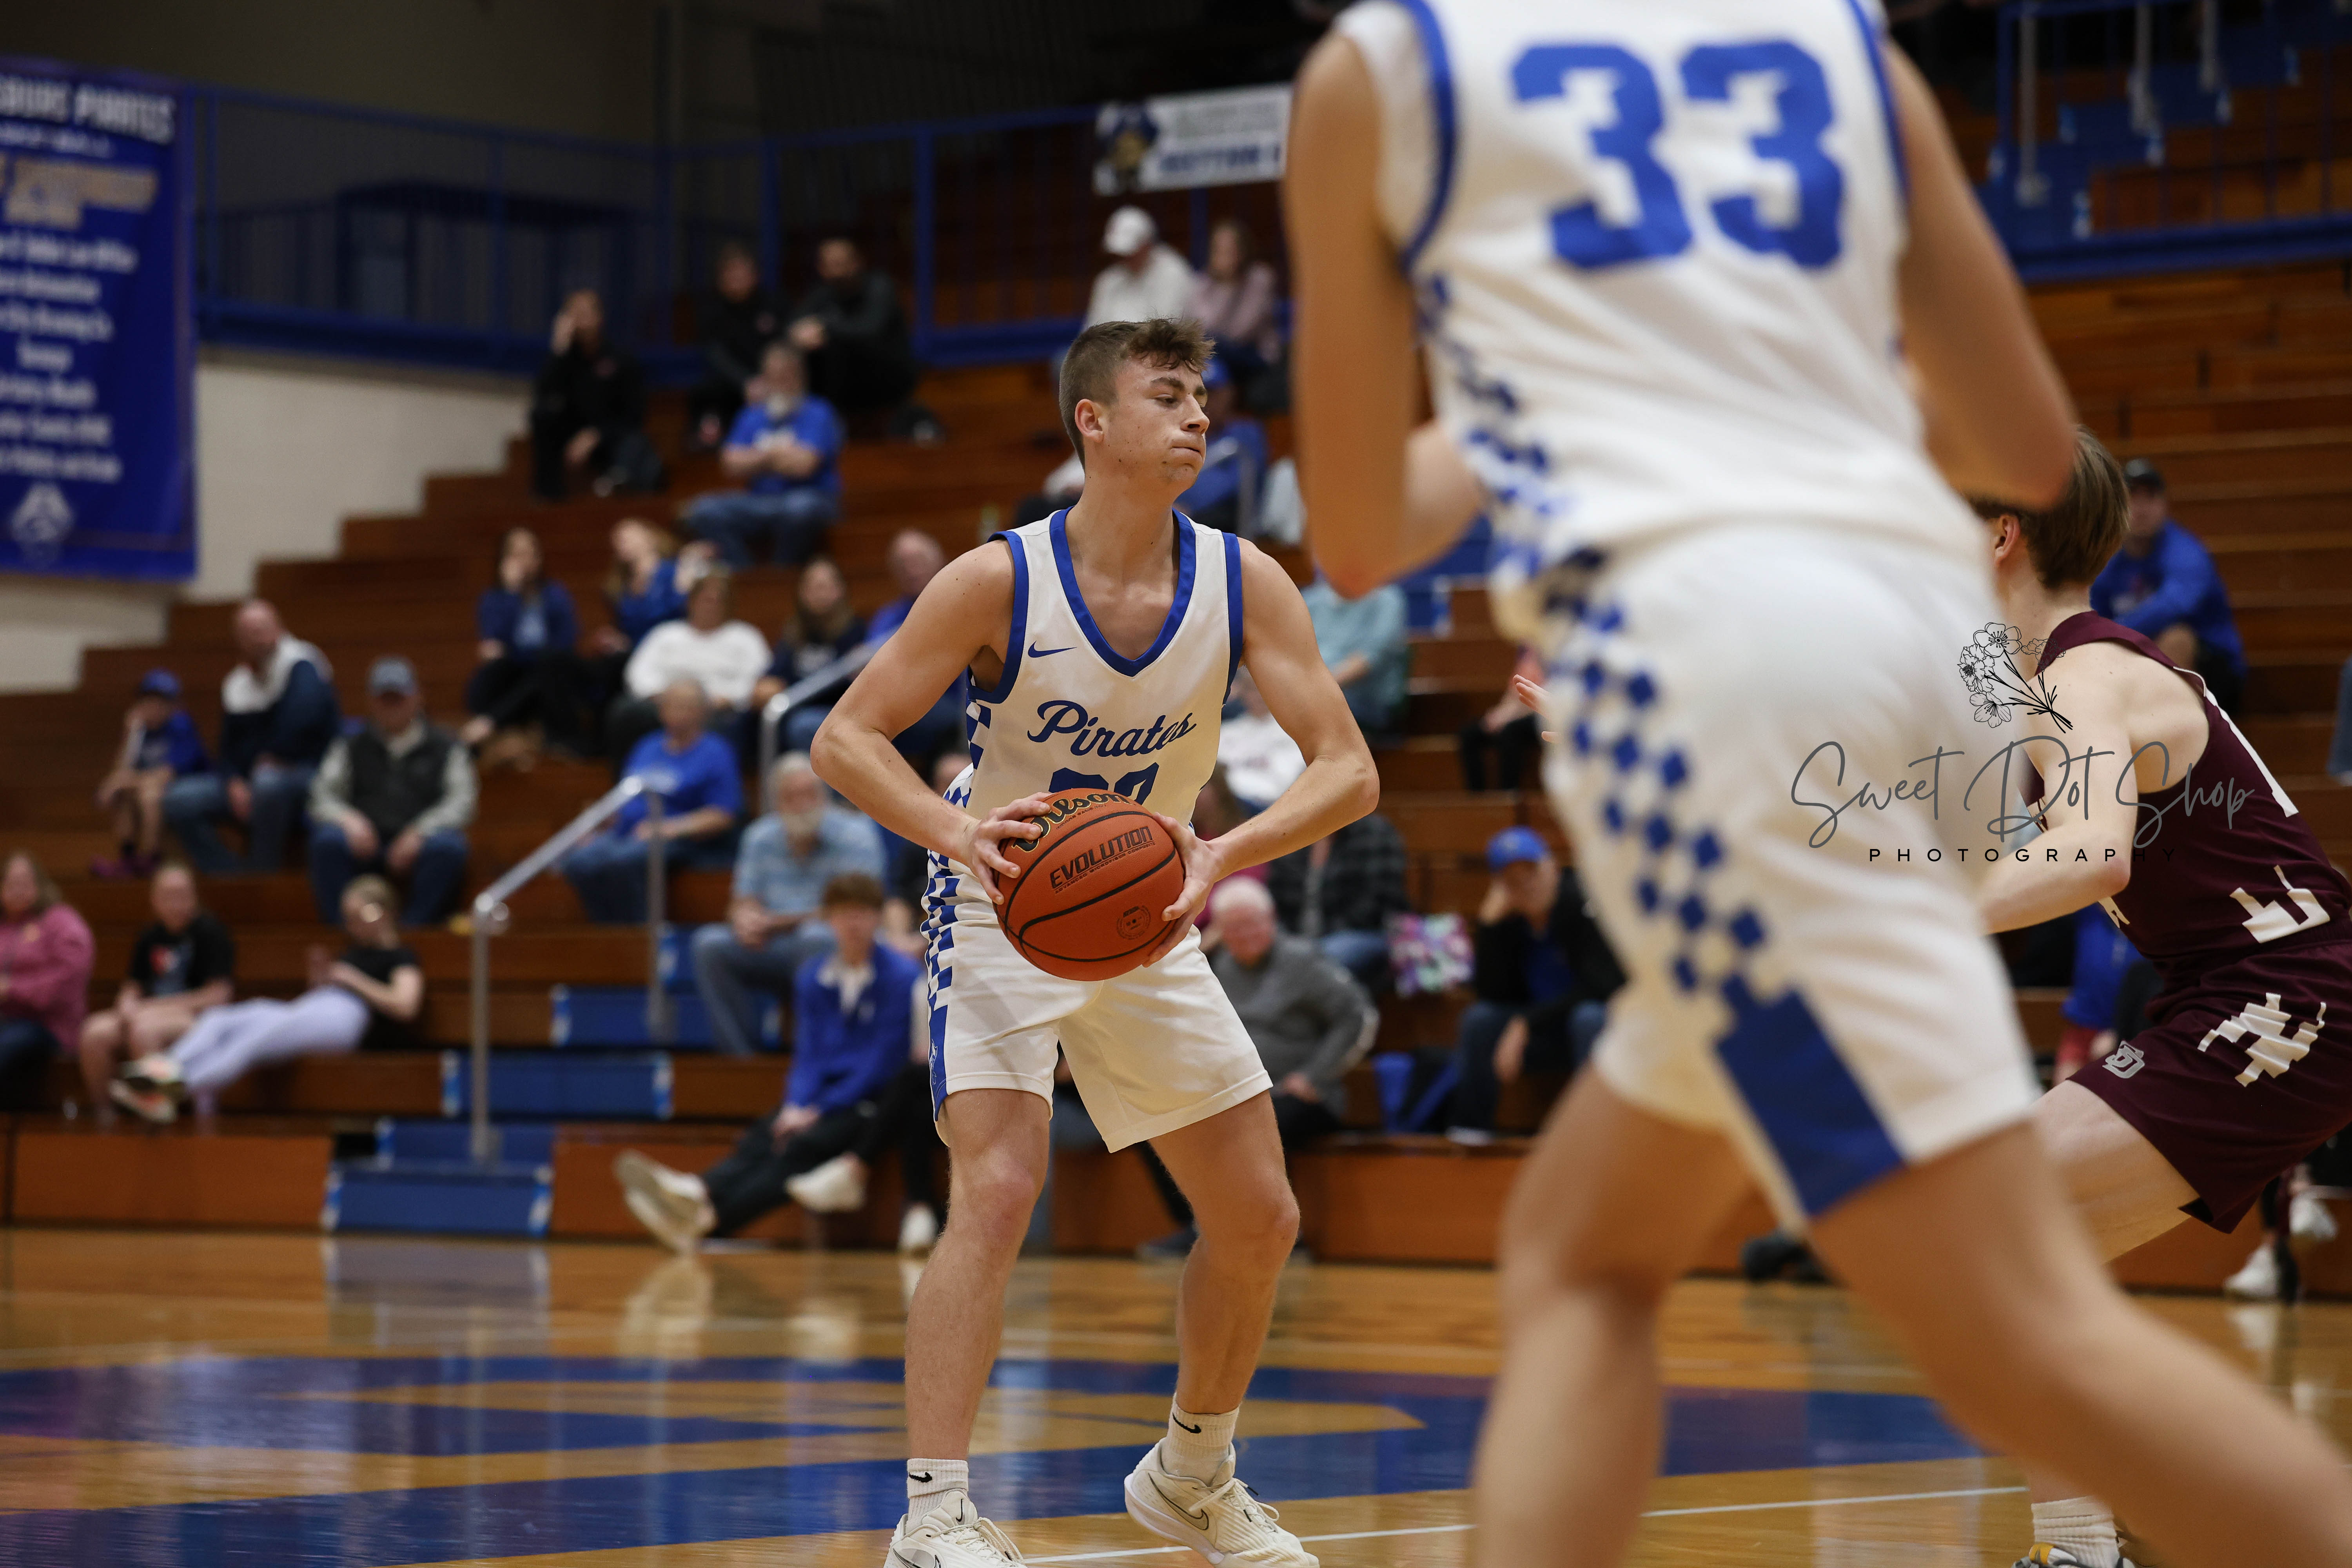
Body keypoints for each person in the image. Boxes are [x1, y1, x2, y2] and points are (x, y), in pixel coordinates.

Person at [1286, 5, 2352, 1566]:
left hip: (1726, 664)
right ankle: (2081, 1547)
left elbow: (1358, 537)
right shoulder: (1849, 48)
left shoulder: (1386, 68)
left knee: (2014, 1319)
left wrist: (1601, 405)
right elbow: (2015, 435)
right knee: (1584, 1253)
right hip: (1881, 648)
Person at [811, 316, 1377, 1566]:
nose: (1197, 415)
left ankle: (1191, 1471)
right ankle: (933, 1516)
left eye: (1202, 395)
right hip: (1003, 899)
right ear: (1094, 420)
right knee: (1002, 1185)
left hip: (1149, 909)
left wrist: (1221, 853)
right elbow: (844, 738)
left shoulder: (1243, 580)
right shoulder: (996, 580)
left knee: (1258, 1215)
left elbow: (1349, 770)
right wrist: (955, 833)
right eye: (1166, 394)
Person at [1972, 428, 2352, 1568]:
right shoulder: (2058, 680)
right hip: (2246, 989)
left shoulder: (2081, 678)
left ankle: (2227, 1516)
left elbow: (2090, 852)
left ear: (1998, 535)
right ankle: (2100, 1540)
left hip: (2288, 987)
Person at [615, 872, 938, 1253]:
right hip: (829, 1096)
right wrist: (797, 1104)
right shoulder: (813, 976)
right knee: (771, 1130)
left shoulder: (901, 977)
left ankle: (706, 1215)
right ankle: (699, 1192)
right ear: (829, 919)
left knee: (804, 1145)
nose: (853, 924)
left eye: (862, 913)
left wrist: (819, 1109)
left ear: (877, 918)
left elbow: (881, 1062)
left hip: (873, 1100)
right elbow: (808, 1054)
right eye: (844, 914)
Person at [1137, 878, 1372, 1260]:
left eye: (1253, 924)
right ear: (1221, 931)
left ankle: (1281, 1235)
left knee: (1258, 1123)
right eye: (1235, 927)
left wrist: (1315, 1076)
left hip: (1304, 1095)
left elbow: (1357, 1017)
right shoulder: (1217, 967)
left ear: (1272, 920)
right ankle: (1200, 1227)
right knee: (1153, 1121)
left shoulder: (1302, 962)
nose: (1246, 935)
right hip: (1236, 1092)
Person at [114, 875, 422, 1125]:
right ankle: (154, 1076)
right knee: (223, 1018)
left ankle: (168, 1090)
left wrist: (352, 979)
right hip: (316, 1007)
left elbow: (405, 1005)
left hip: (349, 1018)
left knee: (254, 1040)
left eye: (360, 917)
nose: (354, 926)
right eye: (350, 919)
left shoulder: (401, 957)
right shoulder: (353, 951)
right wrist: (322, 978)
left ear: (384, 913)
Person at [690, 754, 887, 1058]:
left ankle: (817, 1056)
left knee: (815, 937)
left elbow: (858, 908)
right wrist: (745, 919)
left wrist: (774, 923)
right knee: (709, 945)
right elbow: (742, 901)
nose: (802, 804)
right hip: (771, 945)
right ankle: (741, 1062)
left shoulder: (856, 834)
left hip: (833, 943)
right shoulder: (759, 837)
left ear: (825, 796)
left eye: (810, 794)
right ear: (777, 803)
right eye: (791, 797)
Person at [1445, 828, 1622, 1144]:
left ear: (1552, 867)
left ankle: (1596, 1136)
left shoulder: (1582, 903)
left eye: (1532, 872)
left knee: (1589, 1017)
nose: (1527, 885)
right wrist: (1489, 927)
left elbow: (1601, 986)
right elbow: (1492, 994)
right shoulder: (1509, 921)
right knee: (1479, 1019)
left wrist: (1526, 1023)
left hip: (1586, 1033)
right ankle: (1471, 1131)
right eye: (1513, 880)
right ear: (1500, 887)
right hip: (1536, 1038)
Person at [163, 601, 339, 875]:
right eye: (249, 632)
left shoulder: (303, 663)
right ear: (238, 639)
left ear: (279, 628)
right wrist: (233, 781)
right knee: (179, 798)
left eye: (262, 629)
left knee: (268, 784)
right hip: (248, 782)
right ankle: (228, 874)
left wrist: (270, 759)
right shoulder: (237, 684)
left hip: (303, 772)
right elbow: (226, 749)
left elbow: (303, 721)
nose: (257, 638)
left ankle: (262, 874)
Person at [307, 656, 477, 927]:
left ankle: (413, 931)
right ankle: (344, 931)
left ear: (417, 697)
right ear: (371, 702)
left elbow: (462, 802)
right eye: (385, 699)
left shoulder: (446, 746)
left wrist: (420, 832)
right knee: (327, 842)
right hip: (365, 842)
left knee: (450, 848)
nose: (392, 707)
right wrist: (348, 820)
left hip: (421, 843)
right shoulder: (350, 745)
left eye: (398, 698)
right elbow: (321, 795)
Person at [564, 680, 744, 925]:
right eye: (671, 705)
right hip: (626, 833)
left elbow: (723, 815)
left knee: (625, 860)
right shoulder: (646, 746)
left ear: (702, 712)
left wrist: (668, 829)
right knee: (579, 862)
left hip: (678, 839)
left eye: (686, 706)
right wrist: (600, 822)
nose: (677, 712)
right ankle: (610, 931)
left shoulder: (716, 751)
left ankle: (643, 932)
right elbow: (625, 798)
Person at [77, 862, 236, 1126]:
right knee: (94, 1033)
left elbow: (219, 995)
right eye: (168, 896)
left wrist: (156, 1007)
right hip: (147, 1012)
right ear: (154, 900)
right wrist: (126, 1005)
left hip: (194, 1018)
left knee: (145, 1032)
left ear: (195, 896)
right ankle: (107, 1120)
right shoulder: (150, 936)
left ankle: (157, 1123)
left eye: (182, 895)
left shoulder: (211, 932)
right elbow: (133, 986)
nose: (176, 903)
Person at [2090, 458, 2246, 716]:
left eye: (2150, 496)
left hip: (2212, 669)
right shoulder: (2106, 560)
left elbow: (2174, 606)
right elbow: (2090, 612)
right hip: (2137, 662)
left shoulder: (2187, 552)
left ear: (2164, 504)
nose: (2141, 508)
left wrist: (2112, 634)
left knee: (2176, 639)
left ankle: (2171, 730)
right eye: (2132, 497)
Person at [680, 341, 845, 570]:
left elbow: (805, 465)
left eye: (785, 375)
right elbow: (730, 463)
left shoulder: (818, 411)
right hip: (760, 501)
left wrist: (756, 458)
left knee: (800, 510)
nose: (779, 383)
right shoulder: (753, 415)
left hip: (810, 497)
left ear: (800, 376)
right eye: (772, 376)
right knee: (703, 511)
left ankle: (780, 573)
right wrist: (778, 455)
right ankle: (746, 575)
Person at [607, 569, 771, 771]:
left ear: (728, 604)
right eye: (706, 599)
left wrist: (729, 698)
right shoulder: (666, 634)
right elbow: (638, 672)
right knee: (625, 712)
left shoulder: (745, 637)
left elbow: (758, 680)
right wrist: (665, 698)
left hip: (717, 708)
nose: (710, 606)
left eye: (717, 600)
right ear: (691, 601)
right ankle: (626, 781)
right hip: (662, 703)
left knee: (721, 725)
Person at [460, 526, 587, 763]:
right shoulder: (495, 598)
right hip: (514, 671)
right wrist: (511, 594)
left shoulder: (555, 595)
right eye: (516, 554)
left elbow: (566, 642)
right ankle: (490, 730)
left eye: (529, 553)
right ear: (504, 560)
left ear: (539, 558)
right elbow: (494, 641)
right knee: (488, 675)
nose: (524, 561)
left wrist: (520, 653)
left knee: (545, 668)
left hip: (549, 671)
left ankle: (490, 722)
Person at [530, 289, 661, 500]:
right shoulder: (565, 360)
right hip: (573, 437)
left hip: (611, 436)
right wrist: (558, 349)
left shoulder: (621, 359)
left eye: (585, 314)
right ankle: (549, 498)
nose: (581, 322)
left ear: (599, 317)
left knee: (635, 443)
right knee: (542, 415)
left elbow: (634, 416)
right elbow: (545, 394)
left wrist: (596, 434)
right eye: (574, 315)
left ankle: (619, 485)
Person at [788, 235, 926, 431]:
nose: (839, 271)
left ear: (858, 262)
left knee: (838, 342)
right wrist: (801, 333)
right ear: (821, 268)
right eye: (832, 265)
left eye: (843, 263)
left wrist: (825, 327)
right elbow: (795, 326)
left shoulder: (880, 287)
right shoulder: (823, 294)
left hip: (886, 378)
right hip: (843, 387)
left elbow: (869, 329)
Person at [1264, 809, 1410, 992]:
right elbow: (1278, 898)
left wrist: (1310, 947)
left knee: (1326, 957)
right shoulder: (1295, 834)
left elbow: (1376, 904)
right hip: (1300, 938)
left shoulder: (1374, 833)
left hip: (1364, 933)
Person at [92, 668, 211, 879]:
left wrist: (115, 783)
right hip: (150, 785)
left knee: (149, 793)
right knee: (127, 794)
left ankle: (150, 859)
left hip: (188, 786)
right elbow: (123, 769)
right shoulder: (141, 731)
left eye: (160, 702)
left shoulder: (181, 725)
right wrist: (131, 735)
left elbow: (165, 775)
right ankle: (128, 859)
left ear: (173, 705)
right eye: (147, 701)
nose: (152, 707)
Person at [865, 528, 966, 769]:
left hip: (954, 704)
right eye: (903, 564)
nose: (911, 570)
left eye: (918, 560)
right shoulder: (888, 617)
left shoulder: (963, 602)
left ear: (940, 560)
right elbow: (870, 668)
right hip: (901, 704)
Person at [0, 852, 93, 1111]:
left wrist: (12, 989)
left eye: (25, 883)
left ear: (41, 885)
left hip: (48, 1024)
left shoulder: (62, 921)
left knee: (8, 1043)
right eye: (11, 883)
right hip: (6, 1020)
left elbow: (68, 980)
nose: (18, 890)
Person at [751, 556, 867, 759]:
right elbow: (776, 675)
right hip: (795, 710)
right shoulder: (793, 633)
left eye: (825, 586)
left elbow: (851, 686)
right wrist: (766, 686)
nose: (819, 594)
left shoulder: (856, 632)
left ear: (840, 590)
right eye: (813, 587)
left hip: (836, 714)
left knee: (802, 725)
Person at [688, 241, 782, 450]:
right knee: (706, 394)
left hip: (771, 384)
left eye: (742, 272)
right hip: (729, 387)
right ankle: (712, 438)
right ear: (720, 279)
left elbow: (783, 347)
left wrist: (768, 380)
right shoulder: (710, 311)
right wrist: (746, 382)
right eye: (730, 274)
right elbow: (715, 355)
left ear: (755, 275)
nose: (737, 279)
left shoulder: (774, 304)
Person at [1301, 573, 1409, 738]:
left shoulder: (1387, 600)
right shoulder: (1310, 600)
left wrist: (1316, 691)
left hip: (1364, 700)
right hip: (1310, 694)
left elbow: (1370, 659)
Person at [1185, 218, 1282, 394]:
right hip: (1219, 354)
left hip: (1255, 356)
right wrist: (1223, 283)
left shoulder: (1261, 278)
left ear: (1244, 251)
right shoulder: (1204, 282)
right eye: (1218, 250)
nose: (1224, 257)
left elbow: (1241, 331)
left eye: (1230, 250)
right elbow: (1202, 327)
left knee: (1214, 348)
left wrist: (1229, 285)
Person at [1172, 358, 1267, 536]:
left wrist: (1187, 507)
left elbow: (1241, 485)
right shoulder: (1179, 434)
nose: (1205, 403)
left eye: (1213, 393)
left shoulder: (1246, 432)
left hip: (1227, 524)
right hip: (1178, 521)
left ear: (1229, 394)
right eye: (1199, 395)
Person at [1084, 206, 1195, 329]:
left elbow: (1167, 329)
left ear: (1147, 244)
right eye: (1119, 255)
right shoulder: (1108, 280)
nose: (1124, 259)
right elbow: (1092, 328)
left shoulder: (1173, 273)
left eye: (1130, 253)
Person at [1216, 668, 1306, 813]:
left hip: (1281, 806)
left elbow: (1287, 781)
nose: (1258, 695)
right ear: (1242, 692)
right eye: (1251, 689)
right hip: (1234, 808)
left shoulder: (1294, 730)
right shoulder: (1226, 733)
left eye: (1264, 687)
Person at [1460, 648, 1545, 793]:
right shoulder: (1525, 653)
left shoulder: (1553, 655)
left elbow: (1540, 698)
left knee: (1510, 731)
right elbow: (1513, 692)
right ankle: (1476, 797)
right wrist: (1498, 714)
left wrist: (1505, 717)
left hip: (1538, 715)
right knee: (1469, 734)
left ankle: (1508, 794)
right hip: (1513, 712)